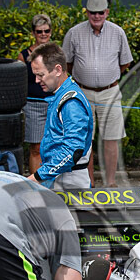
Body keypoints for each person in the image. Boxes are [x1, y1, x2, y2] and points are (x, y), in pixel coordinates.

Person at [62, 0, 132, 187]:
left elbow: (125, 62)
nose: (96, 16)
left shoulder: (118, 33)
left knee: (111, 138)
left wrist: (107, 77)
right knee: (85, 139)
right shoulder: (74, 33)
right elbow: (66, 62)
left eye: (100, 12)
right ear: (87, 12)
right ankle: (89, 181)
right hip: (83, 92)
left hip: (110, 91)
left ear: (107, 12)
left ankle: (110, 182)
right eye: (93, 12)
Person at [27, 42, 93, 189]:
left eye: (41, 75)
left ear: (57, 70)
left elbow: (73, 150)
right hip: (61, 177)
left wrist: (38, 176)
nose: (37, 81)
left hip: (70, 181)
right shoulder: (61, 95)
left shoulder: (71, 102)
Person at [17, 14, 53, 174]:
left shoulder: (56, 54)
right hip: (32, 105)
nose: (43, 34)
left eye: (46, 31)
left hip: (53, 104)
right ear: (33, 33)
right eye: (39, 31)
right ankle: (36, 184)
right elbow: (18, 82)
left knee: (54, 146)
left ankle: (51, 184)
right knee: (36, 148)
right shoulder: (23, 55)